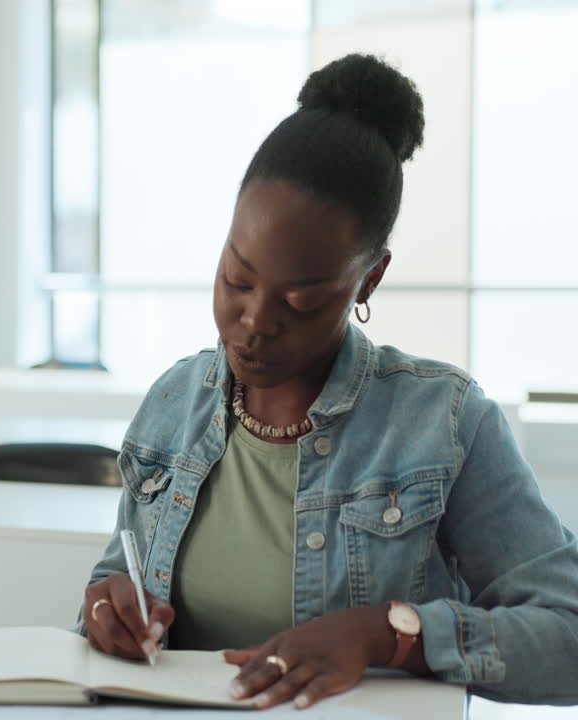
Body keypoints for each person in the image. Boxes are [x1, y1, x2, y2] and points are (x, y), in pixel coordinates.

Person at [81, 53, 578, 708]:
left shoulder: (446, 421)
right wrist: (104, 610)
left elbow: (566, 638)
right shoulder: (174, 403)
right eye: (236, 277)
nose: (254, 320)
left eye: (302, 301)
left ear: (368, 278)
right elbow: (122, 579)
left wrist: (386, 634)